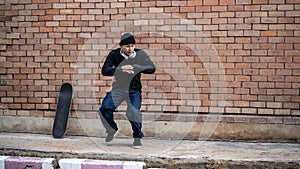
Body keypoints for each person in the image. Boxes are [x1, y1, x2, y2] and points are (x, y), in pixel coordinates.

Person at [99, 33, 156, 149]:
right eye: (127, 46)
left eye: (132, 46)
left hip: (133, 90)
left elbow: (151, 68)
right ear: (121, 46)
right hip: (118, 88)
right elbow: (105, 70)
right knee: (105, 108)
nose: (130, 49)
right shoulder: (114, 54)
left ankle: (137, 136)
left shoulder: (140, 54)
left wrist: (135, 67)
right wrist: (121, 69)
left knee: (133, 112)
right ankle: (111, 129)